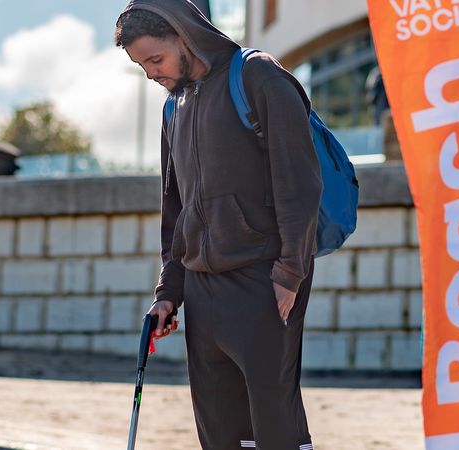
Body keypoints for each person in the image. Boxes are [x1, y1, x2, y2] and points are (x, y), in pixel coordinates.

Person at [115, 1, 323, 448]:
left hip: (262, 278)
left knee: (275, 427)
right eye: (142, 66)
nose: (152, 74)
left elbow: (300, 183)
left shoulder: (258, 77)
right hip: (202, 291)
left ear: (184, 34)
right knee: (219, 433)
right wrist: (169, 293)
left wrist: (289, 272)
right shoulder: (175, 107)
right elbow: (176, 213)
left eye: (156, 59)